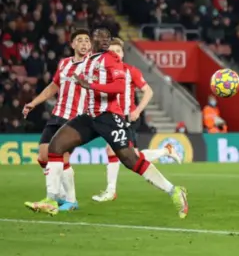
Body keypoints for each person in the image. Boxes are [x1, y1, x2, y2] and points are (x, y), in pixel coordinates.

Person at [24, 28, 188, 218]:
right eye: (100, 38)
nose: (104, 41)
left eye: (107, 39)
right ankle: (51, 199)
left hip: (109, 117)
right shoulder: (87, 59)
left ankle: (174, 190)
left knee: (130, 160)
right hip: (89, 116)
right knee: (55, 147)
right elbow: (63, 81)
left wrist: (90, 85)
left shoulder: (110, 59)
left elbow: (118, 87)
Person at [92, 37, 182, 203]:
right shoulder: (103, 73)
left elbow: (148, 91)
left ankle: (111, 190)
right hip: (112, 118)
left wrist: (138, 110)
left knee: (113, 151)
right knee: (132, 156)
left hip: (128, 118)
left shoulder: (130, 71)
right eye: (112, 52)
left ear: (123, 53)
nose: (115, 54)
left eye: (118, 51)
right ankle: (166, 151)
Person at [22, 29, 92, 211]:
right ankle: (62, 196)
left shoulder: (93, 65)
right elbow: (53, 86)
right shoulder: (64, 63)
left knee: (61, 156)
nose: (84, 43)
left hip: (75, 119)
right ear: (73, 44)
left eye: (87, 40)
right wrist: (33, 103)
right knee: (43, 156)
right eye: (80, 40)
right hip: (57, 115)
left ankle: (63, 199)